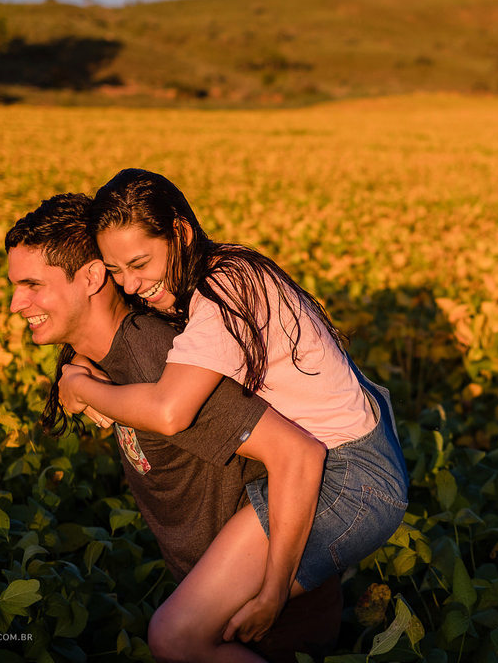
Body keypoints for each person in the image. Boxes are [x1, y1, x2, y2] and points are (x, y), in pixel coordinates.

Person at [56, 169, 409, 662]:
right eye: (115, 271)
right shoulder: (219, 270)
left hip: (351, 477)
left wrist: (81, 387)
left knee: (175, 636)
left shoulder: (221, 295)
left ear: (179, 232)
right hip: (344, 458)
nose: (131, 285)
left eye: (139, 263)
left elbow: (169, 411)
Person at [5, 193, 342, 663]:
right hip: (221, 606)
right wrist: (75, 376)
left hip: (271, 616)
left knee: (170, 639)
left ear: (90, 278)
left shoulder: (161, 361)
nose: (16, 302)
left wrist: (273, 593)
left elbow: (296, 453)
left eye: (32, 285)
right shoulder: (112, 358)